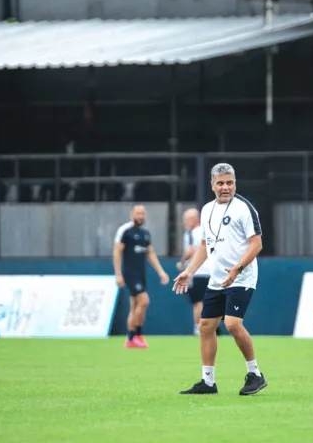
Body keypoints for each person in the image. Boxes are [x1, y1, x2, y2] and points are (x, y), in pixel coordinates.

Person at [173, 163, 267, 396]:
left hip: (242, 276)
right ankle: (208, 382)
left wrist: (237, 268)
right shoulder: (206, 210)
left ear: (235, 183)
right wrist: (190, 270)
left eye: (230, 183)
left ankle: (255, 374)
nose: (226, 187)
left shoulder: (245, 209)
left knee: (233, 324)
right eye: (221, 183)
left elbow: (257, 244)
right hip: (217, 279)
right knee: (206, 326)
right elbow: (205, 245)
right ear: (212, 185)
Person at [113, 204, 170, 349]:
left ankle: (131, 339)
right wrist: (118, 274)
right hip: (130, 273)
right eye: (138, 213)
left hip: (141, 273)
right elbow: (117, 253)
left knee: (135, 306)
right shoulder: (125, 231)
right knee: (144, 301)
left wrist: (161, 272)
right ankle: (135, 335)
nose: (141, 216)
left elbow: (150, 254)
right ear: (132, 214)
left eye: (143, 214)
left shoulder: (145, 233)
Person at [176, 208, 212, 336]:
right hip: (211, 272)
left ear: (193, 219)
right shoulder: (208, 231)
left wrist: (182, 263)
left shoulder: (191, 233)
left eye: (186, 220)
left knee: (198, 302)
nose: (185, 223)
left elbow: (190, 250)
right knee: (211, 301)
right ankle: (212, 327)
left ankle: (199, 328)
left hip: (198, 272)